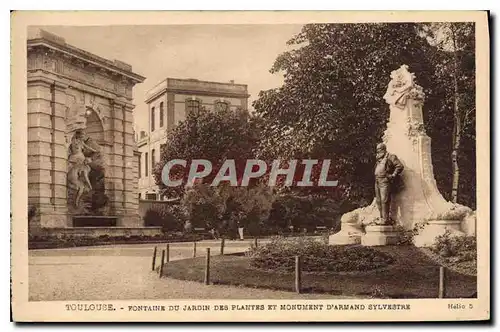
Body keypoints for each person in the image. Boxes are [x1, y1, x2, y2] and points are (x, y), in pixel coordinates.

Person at [374, 143, 404, 224]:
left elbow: (399, 166)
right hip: (377, 181)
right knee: (378, 200)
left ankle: (385, 219)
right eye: (377, 150)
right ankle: (381, 218)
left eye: (379, 149)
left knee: (384, 200)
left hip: (385, 181)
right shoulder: (379, 158)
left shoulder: (391, 156)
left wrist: (393, 175)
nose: (378, 151)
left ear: (383, 149)